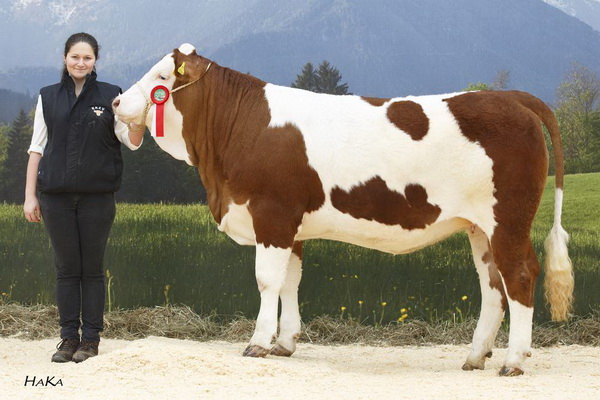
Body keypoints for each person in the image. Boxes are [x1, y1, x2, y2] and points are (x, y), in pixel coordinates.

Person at [23, 32, 145, 363]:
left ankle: (90, 340)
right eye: (75, 56)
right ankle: (67, 339)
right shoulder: (47, 97)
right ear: (65, 58)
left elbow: (130, 141)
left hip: (97, 197)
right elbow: (37, 148)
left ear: (95, 62)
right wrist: (30, 196)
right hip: (55, 198)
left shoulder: (111, 95)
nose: (81, 62)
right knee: (66, 269)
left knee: (91, 269)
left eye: (87, 57)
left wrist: (139, 119)